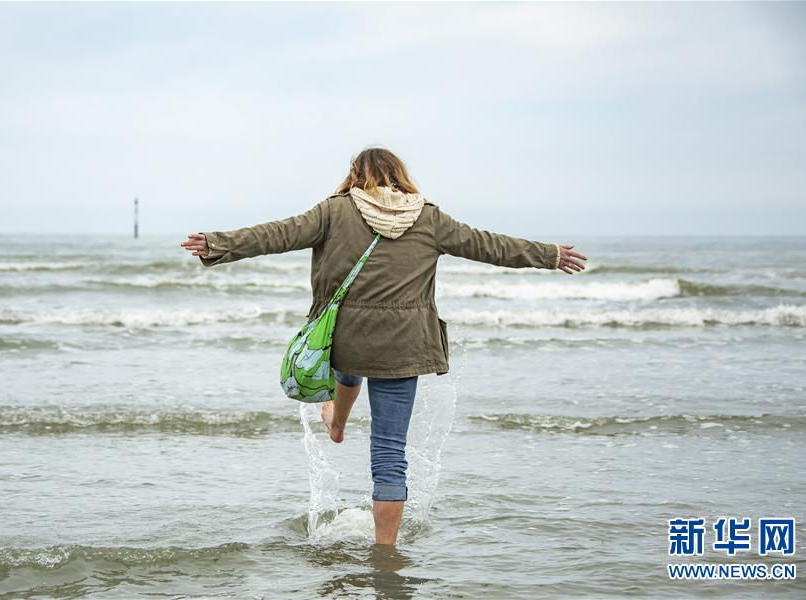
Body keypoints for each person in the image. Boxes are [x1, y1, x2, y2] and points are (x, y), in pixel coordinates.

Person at [180, 146, 587, 545]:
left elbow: (278, 234)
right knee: (390, 453)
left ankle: (336, 421)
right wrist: (549, 255)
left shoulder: (333, 210)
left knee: (349, 362)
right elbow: (489, 245)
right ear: (400, 175)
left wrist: (218, 243)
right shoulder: (429, 218)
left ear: (355, 175)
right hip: (404, 344)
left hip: (347, 338)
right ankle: (385, 550)